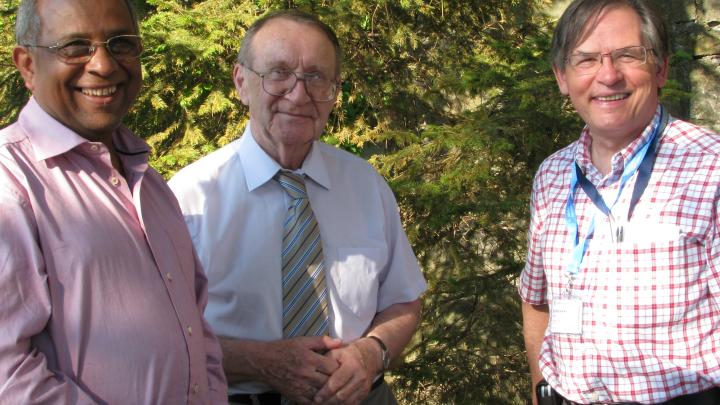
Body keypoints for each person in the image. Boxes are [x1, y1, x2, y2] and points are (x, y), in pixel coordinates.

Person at [169, 9, 427, 405]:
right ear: (241, 82)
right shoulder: (188, 198)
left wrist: (370, 352)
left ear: (334, 91)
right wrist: (260, 362)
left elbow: (404, 300)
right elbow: (162, 335)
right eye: (278, 73)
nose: (298, 94)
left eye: (316, 77)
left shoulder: (365, 186)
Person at [0, 0, 227, 403]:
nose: (104, 65)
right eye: (75, 46)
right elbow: (8, 376)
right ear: (28, 66)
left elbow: (196, 332)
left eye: (121, 43)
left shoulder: (151, 183)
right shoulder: (10, 185)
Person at [519, 0, 720, 404]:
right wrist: (541, 387)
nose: (608, 76)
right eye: (586, 60)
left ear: (660, 68)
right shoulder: (552, 176)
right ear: (562, 77)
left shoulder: (710, 167)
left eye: (628, 55)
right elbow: (535, 299)